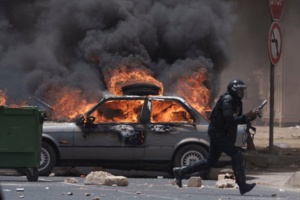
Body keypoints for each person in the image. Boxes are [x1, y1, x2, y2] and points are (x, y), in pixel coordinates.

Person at [173, 79, 259, 195]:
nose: (242, 93)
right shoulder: (227, 101)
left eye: (242, 90)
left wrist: (249, 117)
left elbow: (235, 120)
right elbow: (230, 119)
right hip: (218, 133)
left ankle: (181, 172)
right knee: (236, 155)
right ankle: (242, 185)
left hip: (221, 133)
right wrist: (246, 116)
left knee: (210, 161)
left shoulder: (236, 101)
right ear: (233, 90)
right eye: (239, 90)